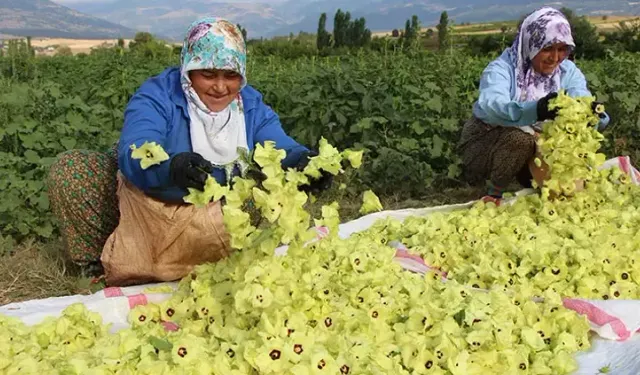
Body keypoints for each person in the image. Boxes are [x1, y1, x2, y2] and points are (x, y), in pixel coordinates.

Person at [46, 17, 332, 278]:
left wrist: (304, 162)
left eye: (230, 75)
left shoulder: (250, 106)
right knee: (73, 170)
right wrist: (171, 167)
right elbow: (137, 147)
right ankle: (99, 264)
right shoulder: (158, 95)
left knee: (257, 188)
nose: (220, 87)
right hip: (150, 195)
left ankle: (212, 261)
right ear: (188, 70)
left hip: (211, 212)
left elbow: (277, 146)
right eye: (208, 74)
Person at [458, 7, 609, 204]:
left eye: (562, 49)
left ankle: (528, 177)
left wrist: (591, 114)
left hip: (535, 147)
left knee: (562, 165)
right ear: (531, 45)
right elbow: (490, 106)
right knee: (520, 139)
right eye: (547, 49)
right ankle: (494, 191)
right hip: (486, 142)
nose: (555, 58)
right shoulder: (502, 70)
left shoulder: (567, 71)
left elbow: (581, 96)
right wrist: (535, 109)